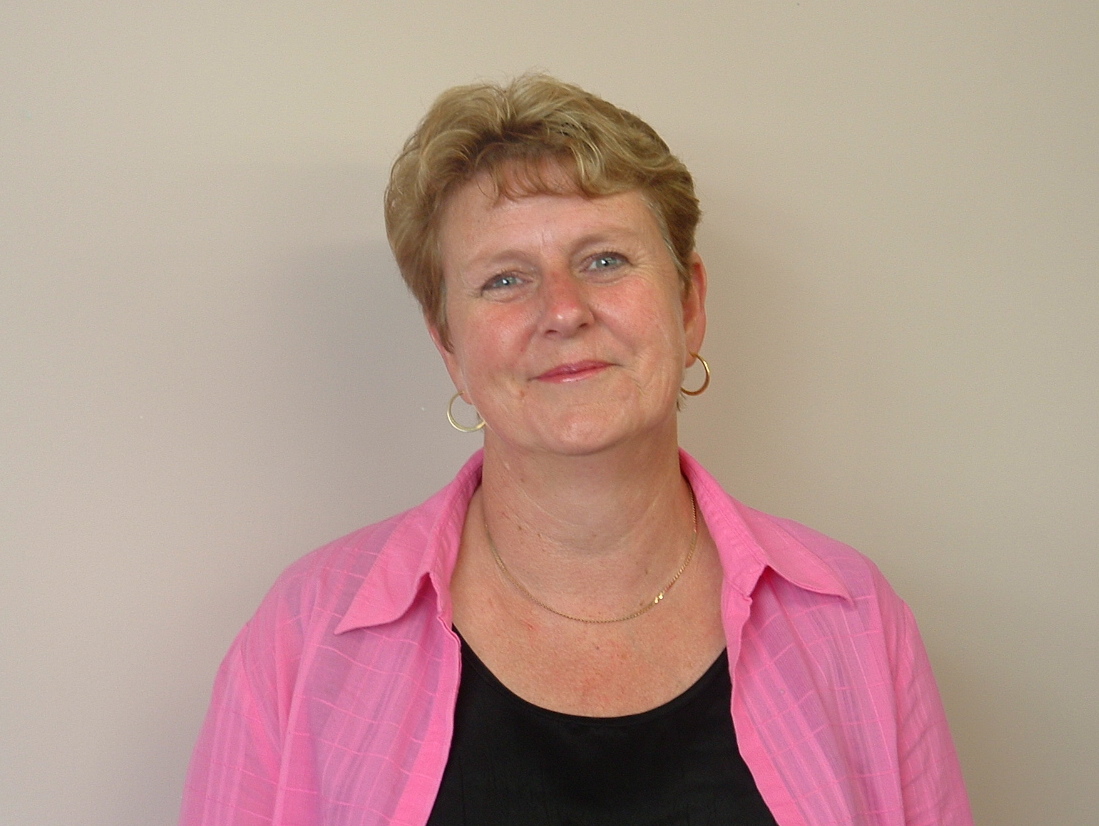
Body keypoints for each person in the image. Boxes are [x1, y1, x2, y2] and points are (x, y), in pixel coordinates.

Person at [180, 75, 973, 826]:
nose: (562, 310)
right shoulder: (307, 634)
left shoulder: (853, 620)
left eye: (604, 260)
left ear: (689, 304)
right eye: (502, 279)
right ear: (448, 346)